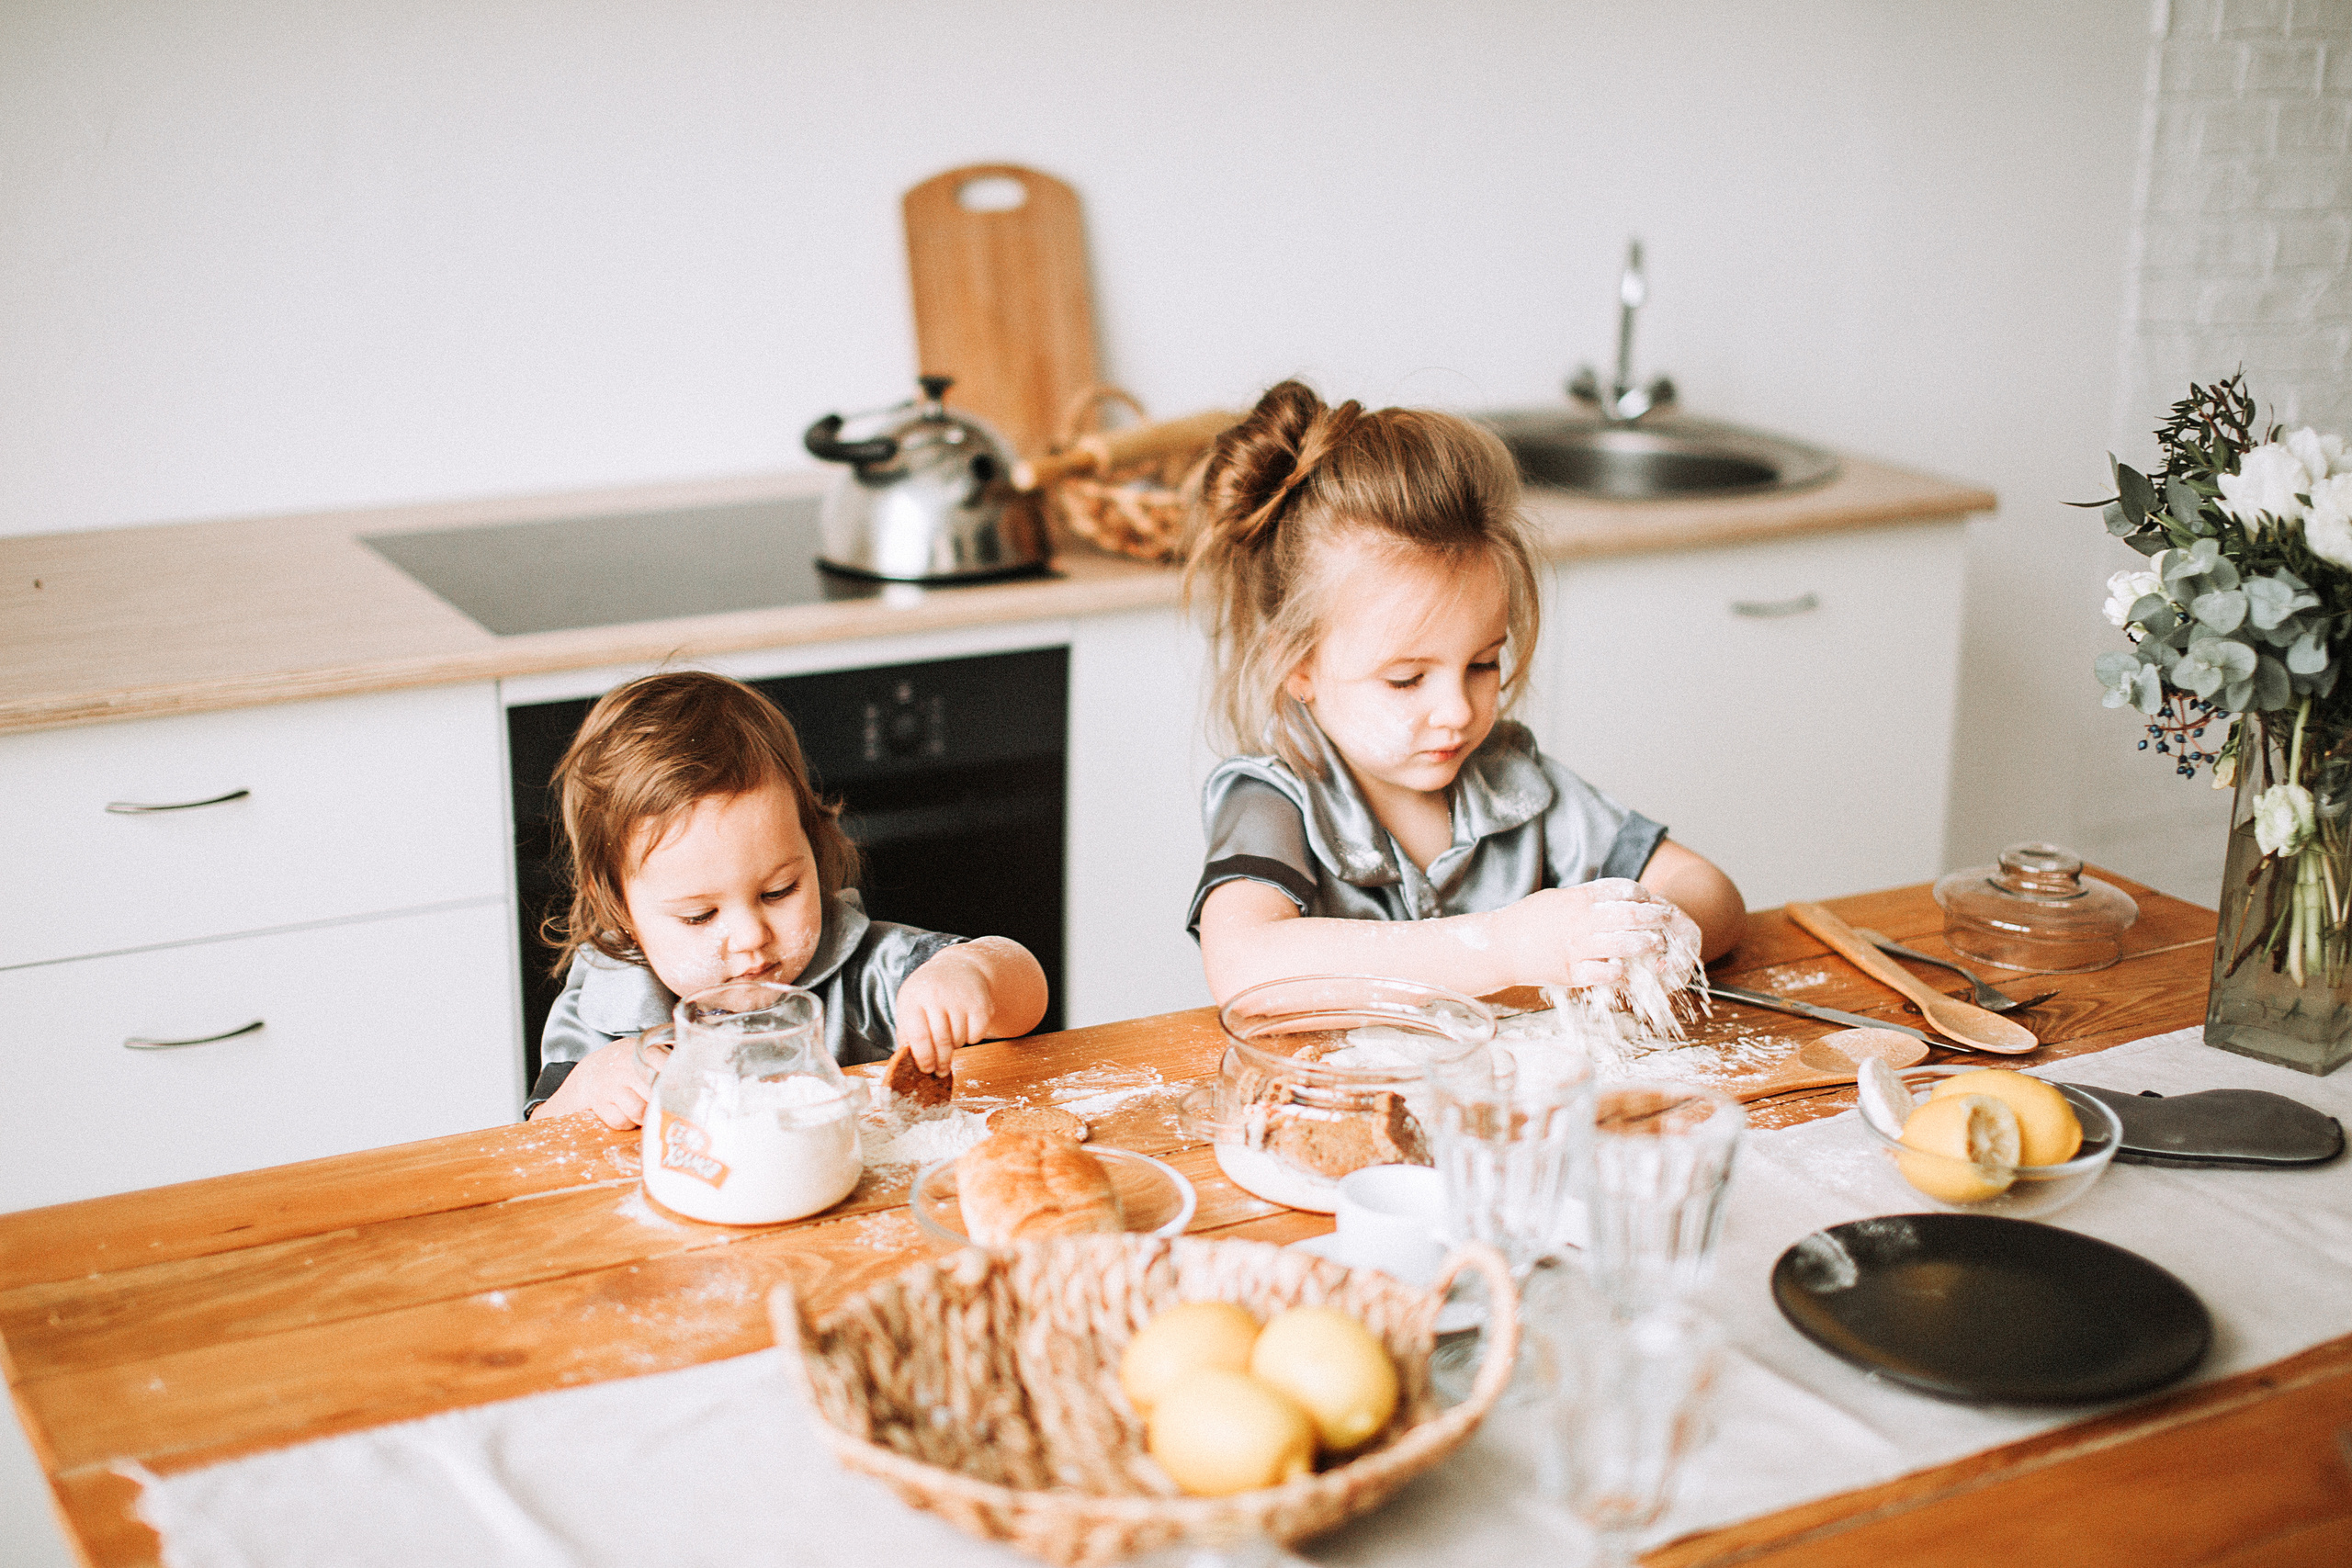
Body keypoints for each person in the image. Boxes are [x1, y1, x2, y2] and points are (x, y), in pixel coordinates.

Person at [1183, 379, 1746, 1003]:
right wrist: (1503, 946)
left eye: (1482, 663)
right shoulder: (1277, 799)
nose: (1457, 710)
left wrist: (1643, 937)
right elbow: (1242, 966)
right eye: (1407, 678)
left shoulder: (1513, 784)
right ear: (1298, 666)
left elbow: (1708, 889)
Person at [524, 671, 1048, 1126]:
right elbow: (537, 1140)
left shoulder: (861, 970)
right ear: (619, 907)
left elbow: (1026, 992)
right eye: (699, 915)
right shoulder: (607, 1008)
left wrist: (973, 974)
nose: (752, 936)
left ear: (814, 853)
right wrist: (587, 1089)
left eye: (779, 891)